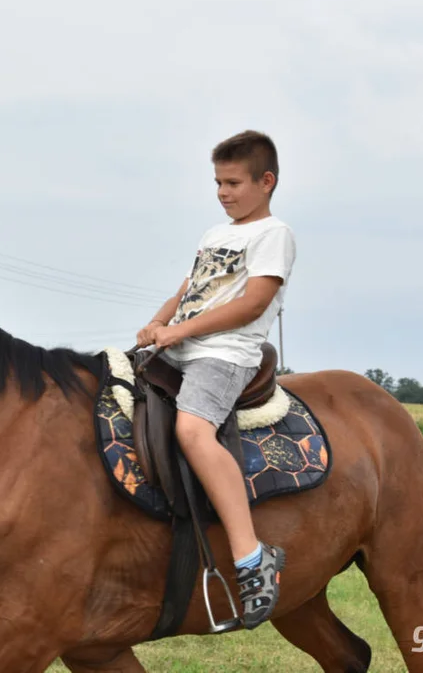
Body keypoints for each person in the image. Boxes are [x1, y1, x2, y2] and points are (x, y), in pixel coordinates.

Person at [135, 129, 296, 629]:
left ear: (265, 182)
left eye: (233, 183)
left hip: (225, 355)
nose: (223, 193)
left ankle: (251, 556)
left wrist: (179, 330)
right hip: (180, 345)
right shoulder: (213, 235)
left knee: (192, 430)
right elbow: (191, 289)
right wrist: (158, 323)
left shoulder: (273, 235)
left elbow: (252, 303)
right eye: (218, 183)